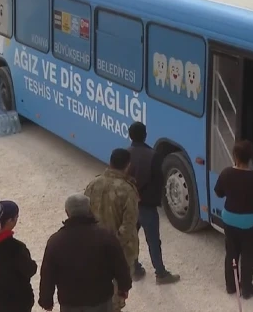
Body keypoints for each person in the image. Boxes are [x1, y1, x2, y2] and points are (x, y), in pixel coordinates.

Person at [38, 194, 133, 312]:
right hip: (100, 300)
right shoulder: (105, 236)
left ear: (67, 212)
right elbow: (119, 264)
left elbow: (48, 273)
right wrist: (124, 286)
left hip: (70, 302)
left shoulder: (56, 241)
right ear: (89, 210)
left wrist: (46, 300)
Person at [85, 149, 140, 312]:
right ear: (128, 165)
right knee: (117, 295)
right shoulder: (128, 190)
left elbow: (85, 215)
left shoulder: (94, 184)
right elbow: (129, 225)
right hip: (120, 252)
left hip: (95, 248)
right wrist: (115, 246)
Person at [214, 140, 253, 300]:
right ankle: (246, 288)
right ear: (250, 158)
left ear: (235, 156)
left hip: (229, 219)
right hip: (250, 223)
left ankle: (231, 286)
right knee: (249, 256)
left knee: (231, 253)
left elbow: (218, 192)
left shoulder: (225, 173)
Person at [127, 121, 180, 284]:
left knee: (132, 237)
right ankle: (161, 274)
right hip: (147, 206)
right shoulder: (153, 155)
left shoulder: (125, 153)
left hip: (130, 205)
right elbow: (159, 180)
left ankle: (134, 268)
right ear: (145, 135)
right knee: (153, 241)